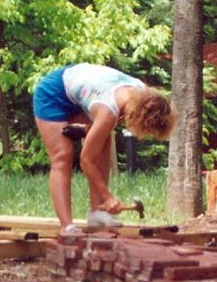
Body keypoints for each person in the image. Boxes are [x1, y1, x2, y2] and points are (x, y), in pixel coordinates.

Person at [32, 63, 176, 233]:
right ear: (139, 117)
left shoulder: (145, 95)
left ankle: (97, 213)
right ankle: (67, 226)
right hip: (53, 93)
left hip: (84, 91)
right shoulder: (109, 110)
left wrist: (89, 129)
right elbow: (86, 160)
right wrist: (107, 197)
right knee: (62, 155)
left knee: (104, 139)